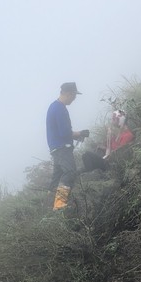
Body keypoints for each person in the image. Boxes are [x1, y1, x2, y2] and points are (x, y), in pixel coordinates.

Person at [46, 82, 89, 211]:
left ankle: (47, 205)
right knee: (70, 172)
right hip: (62, 148)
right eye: (74, 96)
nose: (74, 99)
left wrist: (77, 135)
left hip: (56, 148)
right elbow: (64, 133)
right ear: (69, 94)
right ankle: (59, 206)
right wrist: (79, 133)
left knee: (57, 178)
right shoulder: (60, 108)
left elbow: (62, 132)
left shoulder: (54, 106)